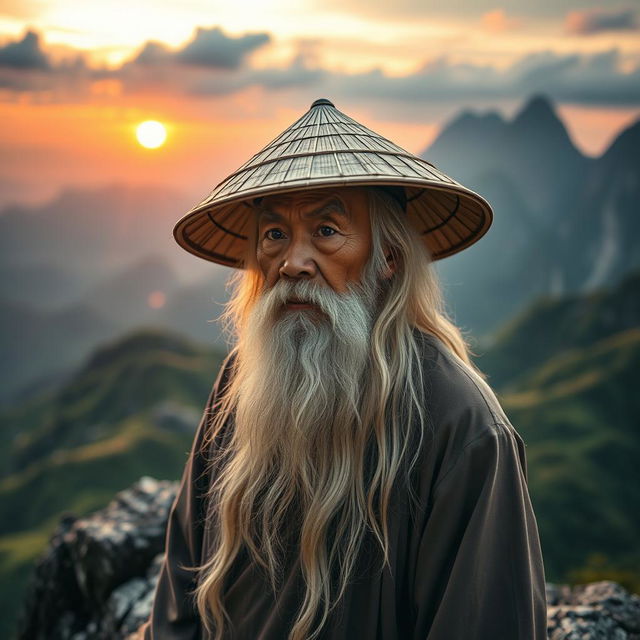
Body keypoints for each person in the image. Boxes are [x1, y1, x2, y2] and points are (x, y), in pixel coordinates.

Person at [139, 99, 547, 639]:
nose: (293, 261)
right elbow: (182, 588)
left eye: (327, 230)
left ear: (389, 258)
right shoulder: (244, 381)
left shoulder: (460, 426)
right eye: (275, 234)